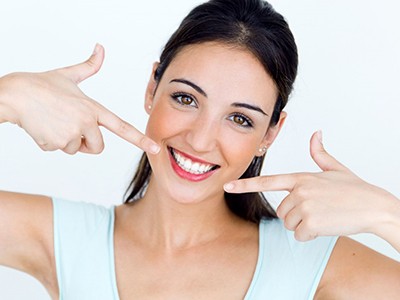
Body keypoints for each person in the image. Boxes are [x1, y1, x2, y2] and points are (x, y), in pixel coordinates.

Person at [0, 0, 399, 299]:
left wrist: (387, 214)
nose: (201, 140)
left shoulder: (311, 264)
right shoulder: (65, 239)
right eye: (186, 99)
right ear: (152, 87)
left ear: (270, 134)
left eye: (240, 119)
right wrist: (8, 96)